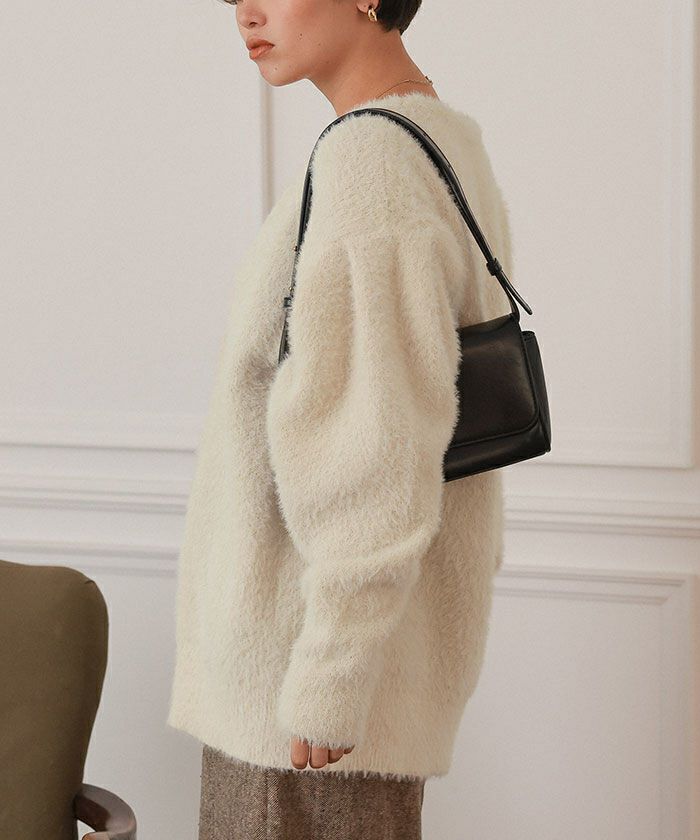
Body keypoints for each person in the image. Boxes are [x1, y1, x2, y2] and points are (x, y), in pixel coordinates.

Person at [167, 0, 512, 837]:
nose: (245, 13)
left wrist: (331, 675)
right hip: (360, 675)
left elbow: (376, 443)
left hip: (296, 696)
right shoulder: (440, 137)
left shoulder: (370, 162)